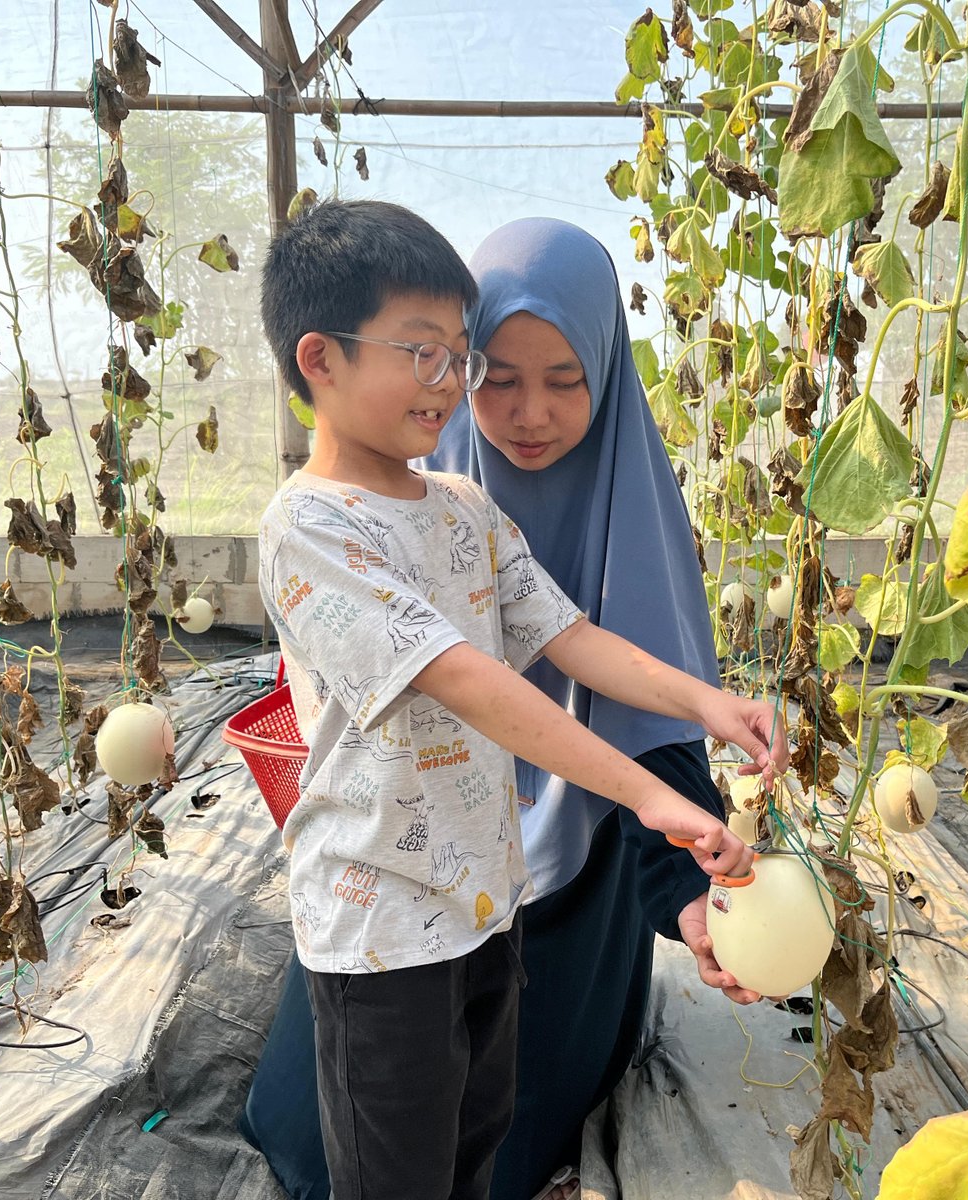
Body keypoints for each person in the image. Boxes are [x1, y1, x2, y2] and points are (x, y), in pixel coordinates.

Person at [253, 199, 784, 1200]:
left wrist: (705, 707)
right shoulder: (322, 524)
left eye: (463, 354)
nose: (499, 403)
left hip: (494, 895)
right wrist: (649, 795)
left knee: (476, 1132)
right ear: (322, 361)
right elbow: (466, 677)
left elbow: (572, 638)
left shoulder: (461, 511)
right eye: (466, 367)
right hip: (381, 919)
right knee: (384, 1151)